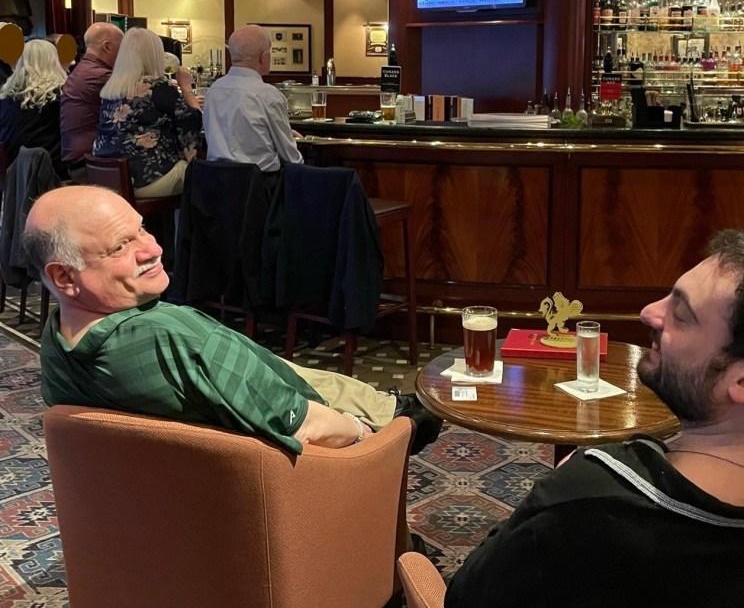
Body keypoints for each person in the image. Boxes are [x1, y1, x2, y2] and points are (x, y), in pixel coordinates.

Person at [446, 230, 744, 608]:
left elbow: (464, 598)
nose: (650, 313)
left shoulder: (587, 502)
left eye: (681, 315)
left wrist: (554, 496)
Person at [24, 185, 442, 455]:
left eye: (142, 230)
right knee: (403, 420)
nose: (151, 248)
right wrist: (368, 438)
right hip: (288, 481)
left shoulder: (57, 342)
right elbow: (307, 426)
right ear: (63, 275)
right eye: (120, 246)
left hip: (162, 509)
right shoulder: (178, 339)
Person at [92, 27, 201, 198]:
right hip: (145, 179)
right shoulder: (157, 87)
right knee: (200, 175)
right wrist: (186, 88)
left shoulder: (111, 88)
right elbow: (192, 120)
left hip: (106, 177)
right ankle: (180, 225)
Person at [202, 24, 303, 172]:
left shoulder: (213, 90)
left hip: (216, 185)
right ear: (264, 57)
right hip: (259, 186)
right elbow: (290, 157)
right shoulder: (268, 95)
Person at [60, 21, 123, 181]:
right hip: (91, 165)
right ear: (107, 47)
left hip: (77, 161)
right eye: (122, 47)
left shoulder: (81, 70)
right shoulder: (101, 76)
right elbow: (142, 100)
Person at [0, 38, 68, 178]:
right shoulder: (59, 94)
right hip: (50, 170)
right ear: (54, 61)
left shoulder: (6, 96)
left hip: (13, 170)